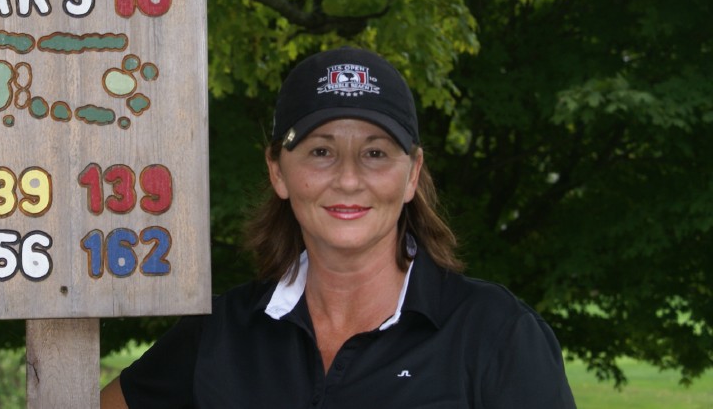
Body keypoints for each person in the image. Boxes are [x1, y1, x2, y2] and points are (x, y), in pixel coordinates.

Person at [101, 46, 576, 408]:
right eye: (321, 151)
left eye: (375, 152)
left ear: (412, 174)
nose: (349, 179)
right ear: (277, 171)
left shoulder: (498, 336)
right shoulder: (221, 333)